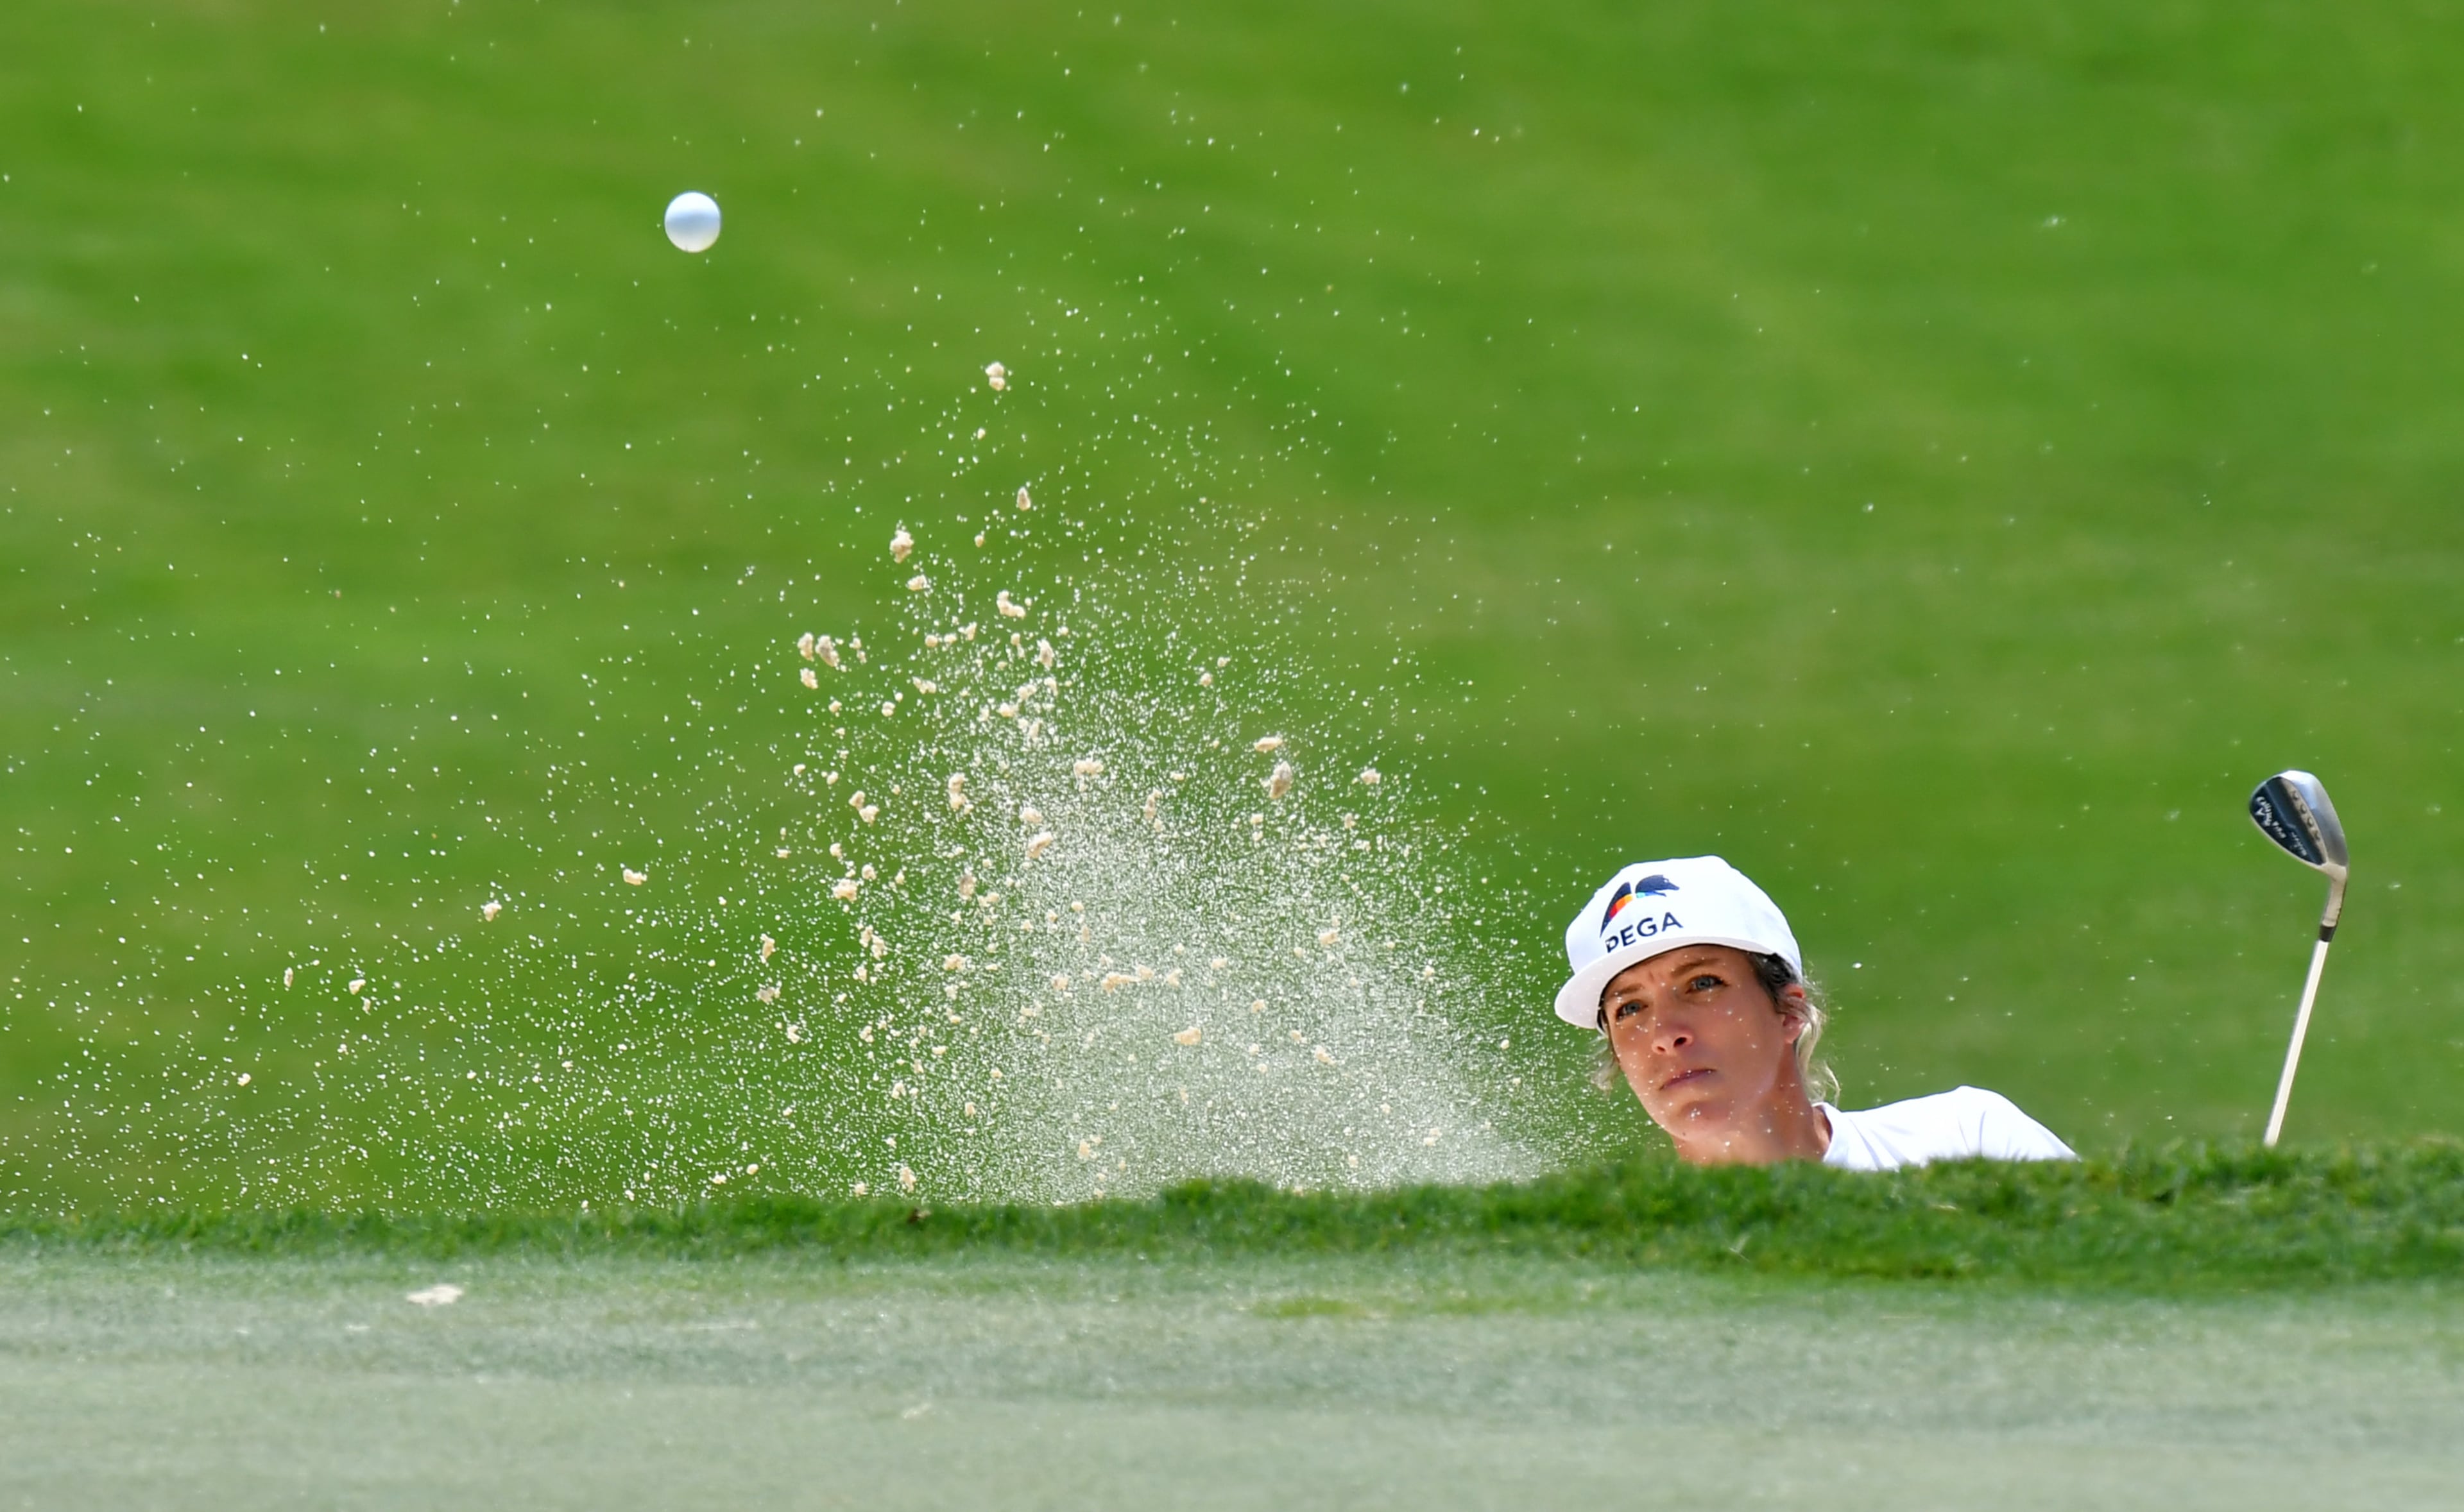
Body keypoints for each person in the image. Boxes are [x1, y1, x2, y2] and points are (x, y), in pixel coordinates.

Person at [1554, 855, 2075, 1170]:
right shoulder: (1622, 1269)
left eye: (1703, 983)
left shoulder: (1969, 1143)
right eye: (1630, 1008)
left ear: (1789, 1010)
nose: (1665, 1033)